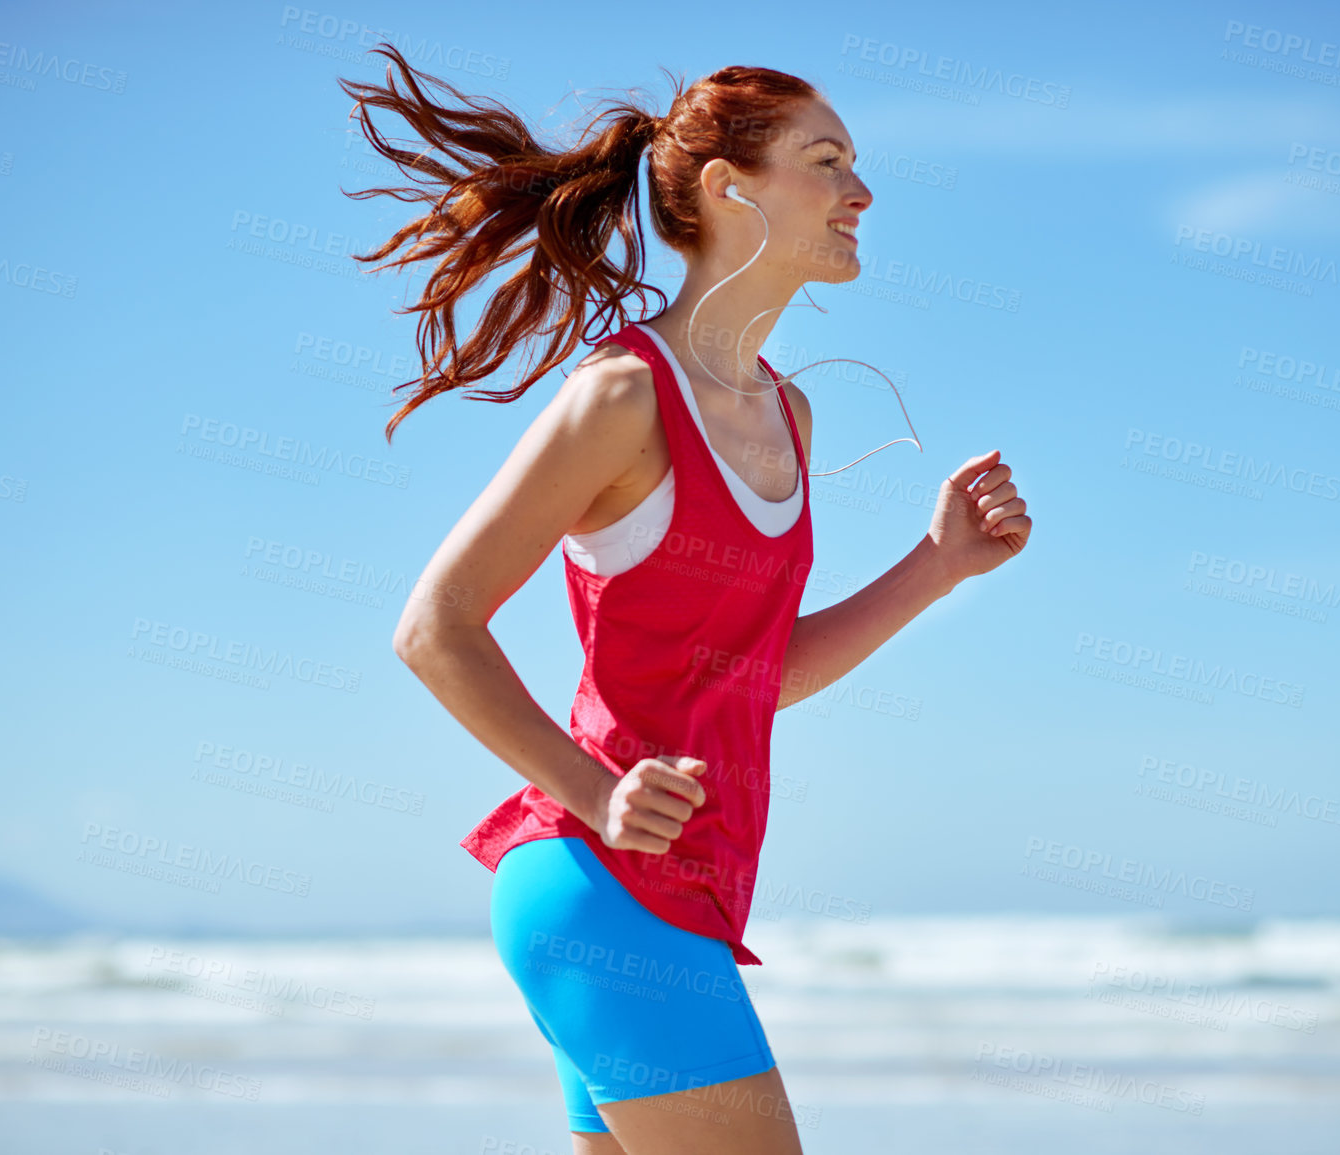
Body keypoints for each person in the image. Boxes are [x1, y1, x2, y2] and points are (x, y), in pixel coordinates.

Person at [342, 45, 1029, 1155]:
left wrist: (937, 565)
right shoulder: (623, 397)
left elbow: (759, 674)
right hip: (601, 891)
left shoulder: (791, 417)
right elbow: (435, 628)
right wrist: (598, 792)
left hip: (679, 904)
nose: (862, 192)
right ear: (730, 188)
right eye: (828, 160)